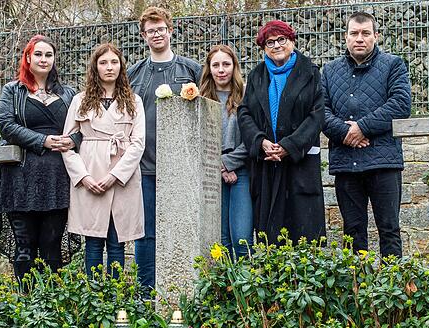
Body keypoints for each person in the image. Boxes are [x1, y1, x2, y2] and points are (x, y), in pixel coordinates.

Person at [0, 34, 81, 281]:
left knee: (51, 246)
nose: (44, 59)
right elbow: (6, 125)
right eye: (38, 54)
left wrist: (73, 140)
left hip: (57, 177)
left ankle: (52, 308)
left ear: (54, 59)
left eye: (48, 55)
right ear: (28, 57)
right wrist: (43, 141)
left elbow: (84, 129)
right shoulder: (12, 90)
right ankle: (27, 307)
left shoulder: (69, 94)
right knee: (24, 247)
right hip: (20, 177)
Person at [321, 12, 411, 258]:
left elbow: (401, 104)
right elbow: (321, 112)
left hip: (384, 162)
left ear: (376, 36)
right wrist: (346, 132)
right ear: (346, 37)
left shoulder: (393, 65)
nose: (359, 38)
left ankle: (391, 292)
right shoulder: (329, 72)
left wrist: (362, 127)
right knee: (352, 232)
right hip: (346, 165)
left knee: (389, 230)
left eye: (365, 33)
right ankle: (357, 291)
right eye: (354, 33)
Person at [127, 6, 202, 291]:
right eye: (150, 31)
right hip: (144, 166)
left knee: (182, 230)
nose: (156, 34)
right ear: (143, 36)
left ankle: (183, 291)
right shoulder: (134, 74)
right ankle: (146, 293)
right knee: (145, 234)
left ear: (171, 30)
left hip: (182, 168)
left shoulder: (191, 69)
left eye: (161, 29)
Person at [237, 20, 326, 243]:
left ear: (292, 41)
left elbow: (317, 115)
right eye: (270, 42)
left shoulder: (310, 72)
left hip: (299, 163)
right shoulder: (256, 76)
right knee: (270, 235)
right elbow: (245, 112)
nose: (276, 45)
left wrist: (289, 146)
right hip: (267, 163)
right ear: (263, 47)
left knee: (303, 234)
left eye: (281, 40)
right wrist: (260, 142)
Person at [62, 43, 145, 277]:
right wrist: (83, 177)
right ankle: (94, 299)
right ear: (95, 68)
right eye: (103, 62)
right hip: (90, 172)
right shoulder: (80, 100)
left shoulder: (134, 101)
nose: (109, 67)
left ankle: (115, 299)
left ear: (121, 66)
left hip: (122, 178)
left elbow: (138, 143)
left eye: (114, 62)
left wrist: (115, 176)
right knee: (93, 241)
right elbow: (67, 144)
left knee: (117, 241)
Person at [199, 45, 252, 260]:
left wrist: (228, 162)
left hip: (241, 171)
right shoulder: (200, 98)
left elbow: (253, 137)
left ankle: (245, 290)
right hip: (210, 173)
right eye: (216, 65)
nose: (222, 70)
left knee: (242, 238)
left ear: (234, 67)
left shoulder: (247, 95)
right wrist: (218, 166)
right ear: (209, 69)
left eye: (226, 64)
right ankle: (226, 289)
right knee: (221, 239)